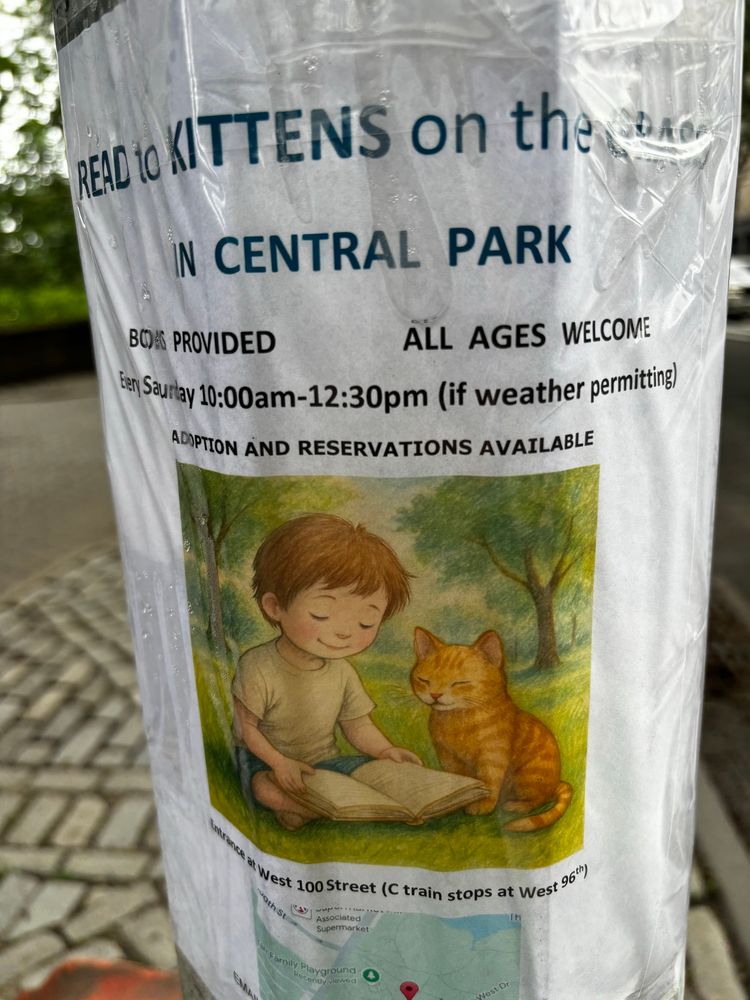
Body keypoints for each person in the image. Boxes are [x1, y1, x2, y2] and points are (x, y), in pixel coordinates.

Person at [232, 513, 421, 830]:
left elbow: (357, 725)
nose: (345, 632)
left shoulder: (343, 671)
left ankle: (313, 806)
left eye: (366, 621)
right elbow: (245, 726)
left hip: (326, 765)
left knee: (372, 773)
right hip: (265, 759)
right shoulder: (258, 664)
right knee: (261, 783)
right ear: (275, 606)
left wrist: (385, 751)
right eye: (322, 612)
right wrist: (279, 763)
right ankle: (301, 805)